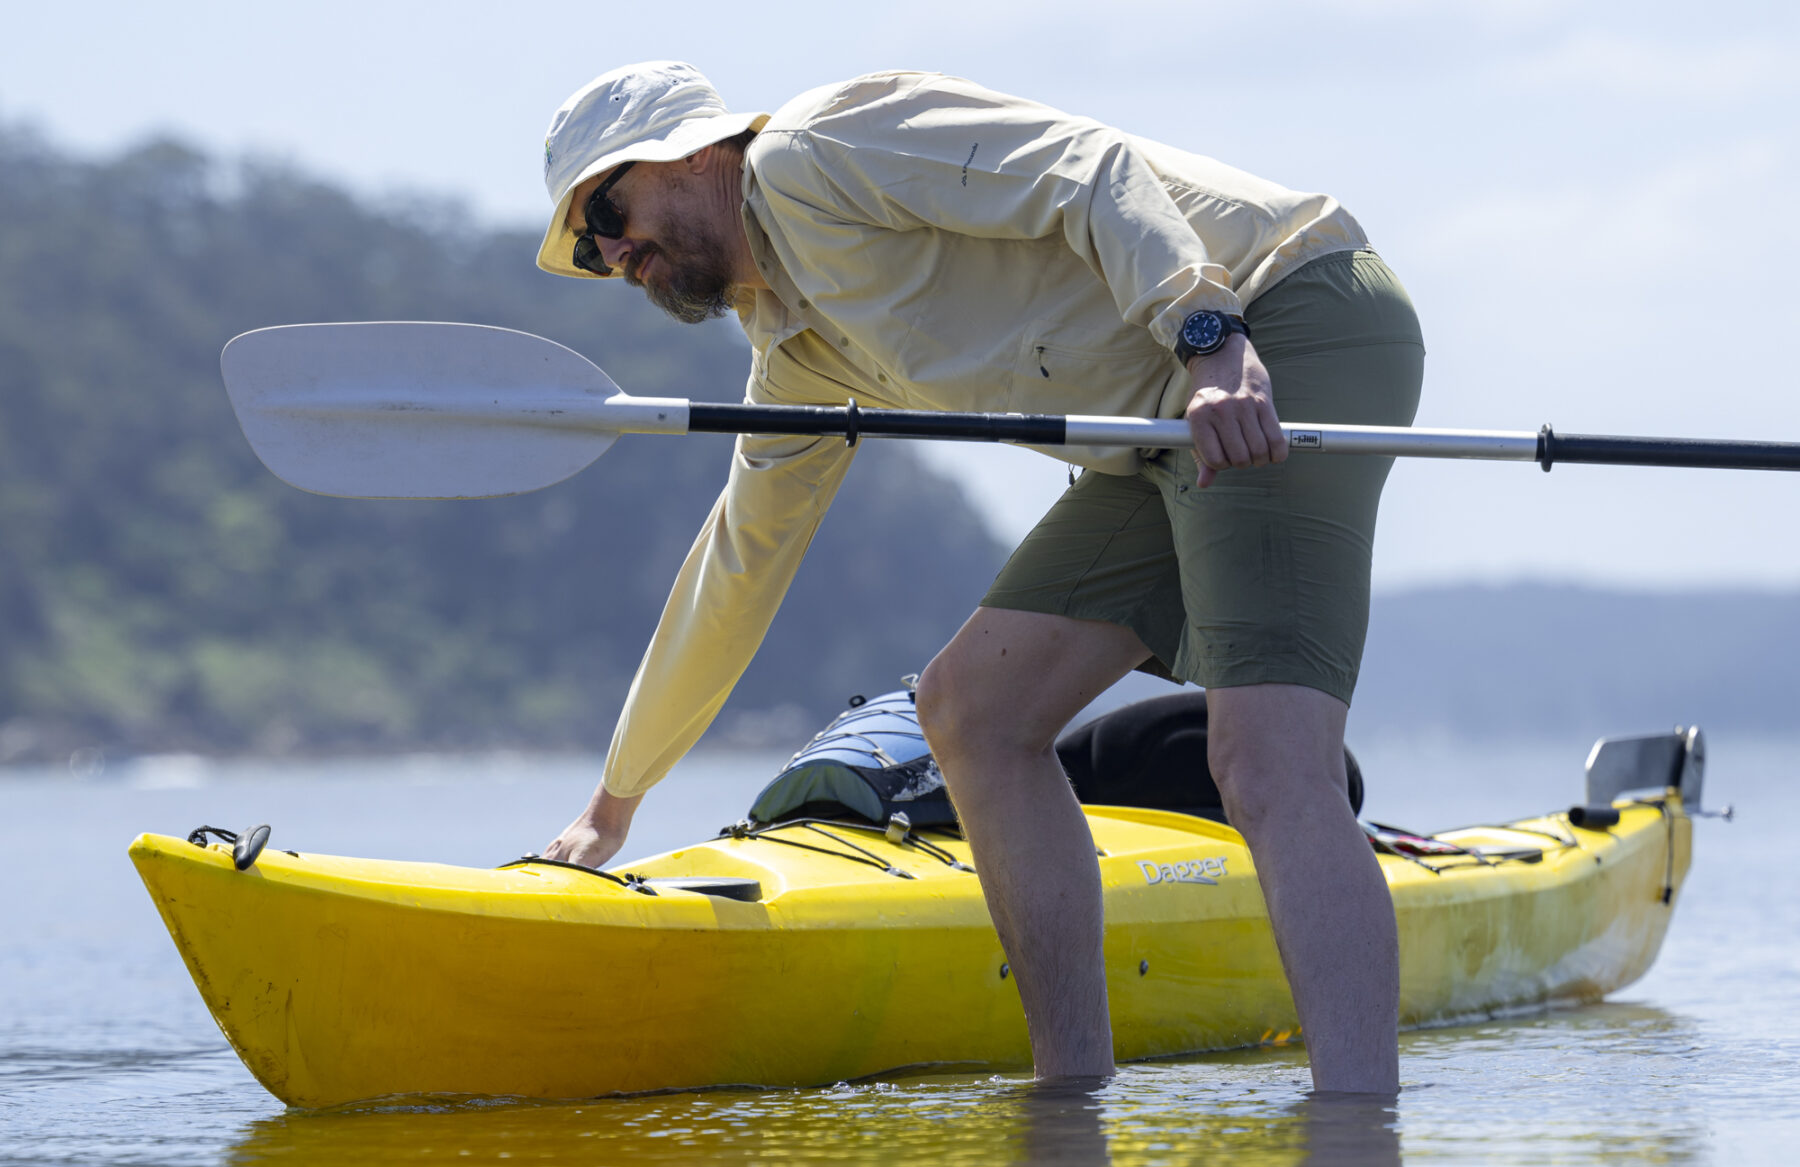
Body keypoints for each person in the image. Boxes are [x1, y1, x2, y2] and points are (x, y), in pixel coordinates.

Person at [535, 61, 1423, 1095]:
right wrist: (615, 802)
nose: (610, 250)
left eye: (604, 207)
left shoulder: (814, 151)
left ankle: (1361, 1145)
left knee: (1267, 761)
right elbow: (737, 564)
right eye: (590, 250)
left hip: (1276, 320)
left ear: (692, 150)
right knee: (971, 712)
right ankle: (1071, 1100)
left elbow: (1086, 169)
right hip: (1158, 425)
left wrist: (1209, 336)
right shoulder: (797, 351)